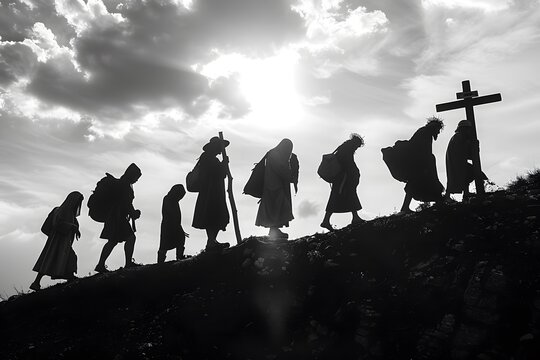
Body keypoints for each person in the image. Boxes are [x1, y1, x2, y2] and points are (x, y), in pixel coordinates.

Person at [30, 191, 84, 291]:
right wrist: (73, 227)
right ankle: (37, 282)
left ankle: (68, 275)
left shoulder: (63, 211)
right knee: (52, 258)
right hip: (58, 241)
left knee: (56, 258)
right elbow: (58, 224)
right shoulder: (63, 211)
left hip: (59, 241)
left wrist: (74, 227)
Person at [95, 163, 142, 273]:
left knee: (113, 241)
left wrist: (132, 212)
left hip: (114, 216)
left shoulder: (123, 183)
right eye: (136, 177)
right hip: (118, 217)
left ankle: (101, 264)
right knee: (130, 238)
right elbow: (126, 203)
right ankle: (128, 263)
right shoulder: (125, 184)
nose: (137, 180)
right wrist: (134, 213)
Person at [255, 138, 299, 240]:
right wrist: (291, 175)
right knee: (277, 208)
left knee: (279, 208)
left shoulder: (276, 154)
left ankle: (274, 229)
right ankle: (274, 229)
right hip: (274, 187)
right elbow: (282, 169)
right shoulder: (274, 155)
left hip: (277, 186)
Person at [192, 136, 230, 250]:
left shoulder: (207, 158)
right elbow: (219, 173)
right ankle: (211, 241)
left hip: (212, 191)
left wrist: (223, 164)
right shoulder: (209, 159)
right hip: (212, 192)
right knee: (214, 215)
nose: (220, 150)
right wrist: (224, 164)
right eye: (219, 147)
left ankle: (211, 241)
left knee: (215, 216)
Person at [321, 134, 365, 231]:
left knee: (342, 197)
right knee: (346, 196)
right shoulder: (347, 150)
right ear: (355, 143)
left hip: (341, 178)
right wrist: (354, 173)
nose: (357, 148)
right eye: (357, 146)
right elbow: (348, 164)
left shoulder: (343, 148)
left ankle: (354, 217)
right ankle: (326, 221)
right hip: (343, 179)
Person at [400, 117, 445, 213]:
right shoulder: (425, 133)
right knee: (416, 184)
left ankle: (439, 201)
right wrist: (426, 166)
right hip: (419, 164)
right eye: (438, 130)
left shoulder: (425, 132)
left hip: (420, 164)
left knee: (417, 185)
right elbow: (422, 151)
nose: (438, 132)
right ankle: (439, 202)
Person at [445, 120, 485, 201]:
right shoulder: (459, 137)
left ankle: (465, 194)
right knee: (471, 173)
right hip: (457, 163)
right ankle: (447, 196)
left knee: (468, 175)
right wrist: (472, 144)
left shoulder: (459, 137)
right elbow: (464, 152)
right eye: (467, 129)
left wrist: (474, 145)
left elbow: (469, 154)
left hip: (460, 162)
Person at [158, 184, 189, 263]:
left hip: (174, 226)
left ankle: (179, 257)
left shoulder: (173, 200)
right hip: (168, 226)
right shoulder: (168, 199)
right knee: (164, 245)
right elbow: (171, 214)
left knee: (180, 239)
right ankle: (160, 262)